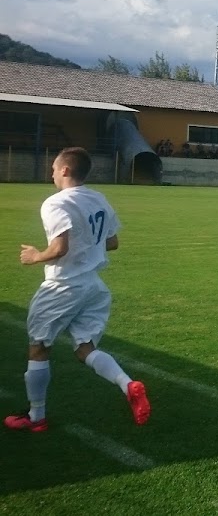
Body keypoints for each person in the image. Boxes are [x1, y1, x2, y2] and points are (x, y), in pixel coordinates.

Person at [6, 147, 151, 433]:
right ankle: (128, 384)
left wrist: (35, 256)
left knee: (38, 348)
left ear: (65, 170)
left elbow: (60, 248)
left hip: (62, 286)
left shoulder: (54, 203)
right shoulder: (98, 198)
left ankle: (36, 418)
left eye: (53, 168)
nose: (50, 173)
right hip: (93, 287)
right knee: (85, 348)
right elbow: (113, 242)